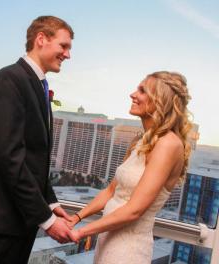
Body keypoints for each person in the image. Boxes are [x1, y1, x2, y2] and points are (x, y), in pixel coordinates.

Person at [0, 16, 75, 263]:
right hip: (4, 222)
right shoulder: (10, 79)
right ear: (41, 39)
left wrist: (49, 201)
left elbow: (34, 159)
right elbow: (11, 158)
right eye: (64, 46)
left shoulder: (37, 84)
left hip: (22, 221)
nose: (68, 55)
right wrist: (48, 221)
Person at [67, 71, 192, 264]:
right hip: (107, 241)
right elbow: (110, 191)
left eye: (142, 90)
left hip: (128, 251)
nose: (133, 94)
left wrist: (83, 231)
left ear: (160, 100)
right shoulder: (141, 141)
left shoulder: (169, 144)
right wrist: (76, 218)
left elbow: (134, 210)